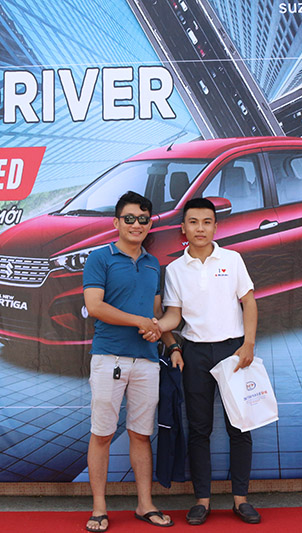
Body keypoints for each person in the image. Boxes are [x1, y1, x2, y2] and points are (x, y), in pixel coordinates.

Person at [158, 197, 261, 525]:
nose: (200, 228)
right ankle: (202, 500)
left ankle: (241, 499)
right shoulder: (175, 270)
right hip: (195, 353)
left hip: (233, 351)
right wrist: (158, 329)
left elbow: (249, 302)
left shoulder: (232, 259)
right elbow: (173, 316)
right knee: (199, 429)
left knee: (239, 427)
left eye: (206, 222)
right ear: (183, 228)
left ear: (216, 226)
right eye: (193, 222)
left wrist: (248, 343)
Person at [82, 191, 173, 532]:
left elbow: (156, 313)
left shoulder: (152, 264)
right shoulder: (99, 258)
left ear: (150, 224)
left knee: (141, 434)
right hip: (109, 358)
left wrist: (167, 341)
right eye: (130, 218)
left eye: (143, 219)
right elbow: (95, 306)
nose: (137, 225)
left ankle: (145, 505)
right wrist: (139, 322)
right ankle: (99, 509)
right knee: (102, 434)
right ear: (117, 222)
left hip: (148, 362)